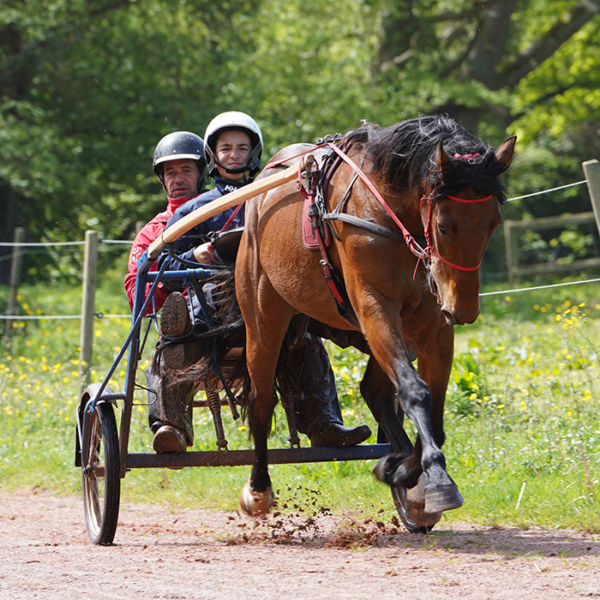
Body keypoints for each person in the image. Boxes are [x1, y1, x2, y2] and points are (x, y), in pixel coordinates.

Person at [155, 111, 371, 453]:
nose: (234, 154)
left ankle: (324, 425)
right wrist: (198, 254)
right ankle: (172, 427)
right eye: (226, 148)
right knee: (174, 339)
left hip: (276, 304)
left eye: (242, 147)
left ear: (253, 154)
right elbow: (162, 264)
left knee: (308, 344)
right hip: (212, 304)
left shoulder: (277, 203)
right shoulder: (196, 209)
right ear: (214, 155)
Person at [124, 131, 208, 312]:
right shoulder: (151, 233)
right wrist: (170, 283)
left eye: (186, 171)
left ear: (201, 174)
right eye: (171, 173)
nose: (178, 179)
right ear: (163, 179)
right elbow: (135, 300)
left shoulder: (224, 213)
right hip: (183, 326)